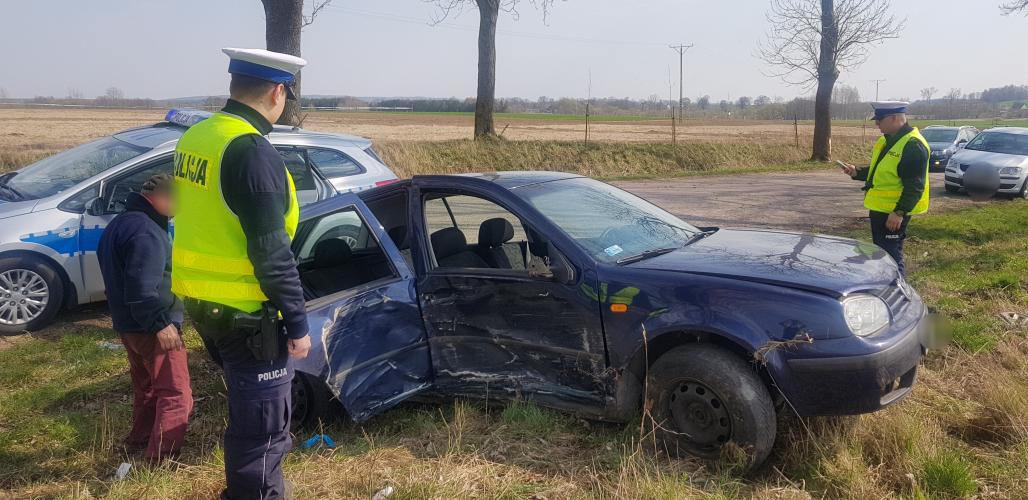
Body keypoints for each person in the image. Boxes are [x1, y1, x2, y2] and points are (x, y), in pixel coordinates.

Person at [171, 47, 311, 500]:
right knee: (264, 434)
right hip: (249, 317)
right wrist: (298, 322)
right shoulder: (250, 150)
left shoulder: (199, 136)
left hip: (206, 307)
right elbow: (271, 253)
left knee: (250, 421)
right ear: (278, 92)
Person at [97, 173, 191, 462]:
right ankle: (160, 460)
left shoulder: (121, 223)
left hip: (129, 326)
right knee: (176, 395)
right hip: (152, 327)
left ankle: (138, 442)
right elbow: (141, 288)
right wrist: (160, 324)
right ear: (162, 198)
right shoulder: (146, 232)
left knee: (148, 389)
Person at [838, 101, 930, 276]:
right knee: (882, 253)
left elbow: (915, 186)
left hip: (893, 213)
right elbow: (879, 172)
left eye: (880, 120)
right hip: (881, 210)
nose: (877, 124)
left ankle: (899, 294)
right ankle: (884, 287)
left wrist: (899, 212)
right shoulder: (887, 140)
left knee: (891, 255)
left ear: (894, 118)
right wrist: (856, 171)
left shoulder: (912, 145)